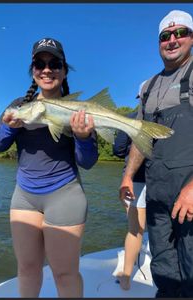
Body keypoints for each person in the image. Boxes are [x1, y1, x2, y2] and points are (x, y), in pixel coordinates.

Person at [0, 37, 99, 298]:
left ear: (64, 69)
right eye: (40, 63)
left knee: (65, 273)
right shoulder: (19, 106)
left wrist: (82, 138)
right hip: (24, 197)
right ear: (33, 70)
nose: (47, 69)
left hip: (65, 195)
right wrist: (8, 127)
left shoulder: (79, 111)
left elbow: (88, 162)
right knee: (26, 268)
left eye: (54, 63)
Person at [119, 10, 193, 298]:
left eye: (180, 33)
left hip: (188, 193)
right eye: (165, 35)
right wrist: (127, 176)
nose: (172, 40)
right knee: (163, 265)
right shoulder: (147, 87)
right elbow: (141, 137)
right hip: (157, 194)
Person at [113, 83, 146, 291]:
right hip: (156, 180)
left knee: (134, 229)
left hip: (132, 181)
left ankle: (126, 275)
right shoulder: (168, 116)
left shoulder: (130, 117)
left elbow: (118, 149)